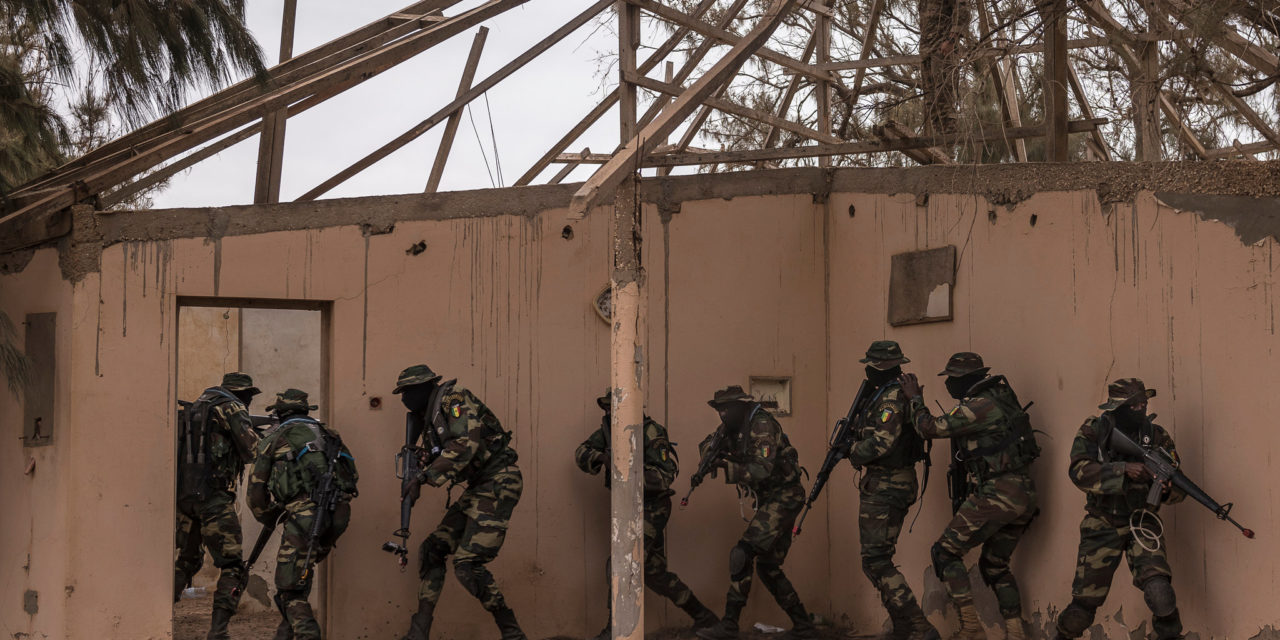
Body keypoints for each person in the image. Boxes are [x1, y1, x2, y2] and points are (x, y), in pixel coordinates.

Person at [900, 353, 1041, 640]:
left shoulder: (978, 406)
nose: (949, 384)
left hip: (998, 495)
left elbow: (929, 428)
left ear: (965, 379)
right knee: (995, 564)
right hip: (1022, 495)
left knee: (945, 553)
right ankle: (1015, 633)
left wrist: (915, 399)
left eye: (952, 378)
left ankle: (972, 628)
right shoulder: (1001, 397)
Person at [393, 364, 527, 640]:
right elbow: (445, 449)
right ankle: (418, 633)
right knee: (432, 550)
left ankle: (513, 634)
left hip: (498, 480)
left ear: (423, 388)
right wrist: (422, 464)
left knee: (467, 564)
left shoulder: (453, 400)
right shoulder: (432, 419)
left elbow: (466, 442)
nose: (404, 399)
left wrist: (425, 478)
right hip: (480, 486)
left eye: (406, 392)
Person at [575, 390, 719, 640]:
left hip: (652, 507)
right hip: (626, 510)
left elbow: (663, 477)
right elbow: (581, 452)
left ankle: (614, 629)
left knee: (619, 562)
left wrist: (626, 467)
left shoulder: (651, 432)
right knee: (654, 573)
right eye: (607, 408)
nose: (609, 412)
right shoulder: (609, 430)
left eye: (613, 408)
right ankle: (705, 617)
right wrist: (601, 457)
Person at [1052, 379, 1186, 640]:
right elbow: (1078, 472)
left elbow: (1178, 489)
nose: (1140, 408)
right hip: (1102, 524)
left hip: (1144, 523)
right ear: (1117, 408)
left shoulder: (1157, 436)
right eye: (1133, 405)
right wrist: (1122, 470)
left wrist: (1165, 487)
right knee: (1082, 609)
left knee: (1161, 594)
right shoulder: (1095, 430)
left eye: (1143, 404)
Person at [694, 386, 813, 640]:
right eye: (719, 410)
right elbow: (706, 443)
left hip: (785, 496)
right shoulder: (732, 427)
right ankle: (804, 626)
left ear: (741, 406)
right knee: (768, 567)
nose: (722, 414)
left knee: (742, 553)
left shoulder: (761, 426)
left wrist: (727, 467)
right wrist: (710, 455)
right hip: (772, 499)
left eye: (727, 409)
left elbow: (762, 470)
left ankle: (728, 625)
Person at [247, 389, 358, 640]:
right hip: (338, 513)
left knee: (289, 590)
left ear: (279, 414)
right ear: (306, 411)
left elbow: (255, 494)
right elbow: (352, 474)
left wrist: (272, 517)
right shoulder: (330, 435)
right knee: (300, 572)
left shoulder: (275, 438)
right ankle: (284, 634)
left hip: (305, 516)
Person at [847, 341, 937, 640]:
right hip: (890, 484)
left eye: (870, 366)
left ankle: (919, 626)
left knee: (875, 560)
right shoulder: (886, 394)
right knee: (877, 558)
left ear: (879, 367)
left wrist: (852, 451)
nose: (867, 371)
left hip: (888, 485)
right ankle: (902, 627)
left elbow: (881, 443)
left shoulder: (890, 398)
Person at [174, 372, 261, 640]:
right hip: (214, 497)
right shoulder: (231, 408)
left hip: (186, 497)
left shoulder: (197, 406)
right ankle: (218, 632)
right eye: (249, 397)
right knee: (233, 566)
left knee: (186, 561)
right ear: (243, 394)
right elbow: (253, 450)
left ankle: (148, 614)